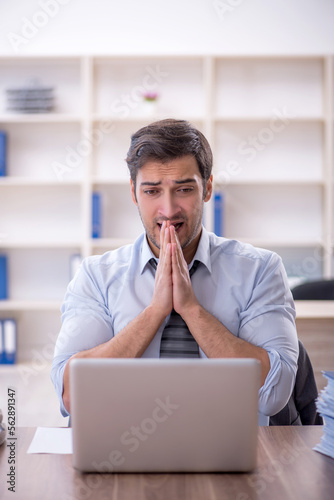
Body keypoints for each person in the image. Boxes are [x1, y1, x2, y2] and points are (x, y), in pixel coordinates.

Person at [51, 118, 299, 426]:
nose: (168, 210)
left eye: (183, 189)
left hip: (229, 458)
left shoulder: (260, 270)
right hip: (120, 454)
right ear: (133, 193)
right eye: (152, 191)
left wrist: (192, 311)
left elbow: (274, 396)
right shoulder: (95, 276)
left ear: (207, 188)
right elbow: (72, 397)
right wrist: (155, 313)